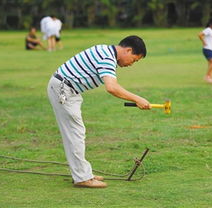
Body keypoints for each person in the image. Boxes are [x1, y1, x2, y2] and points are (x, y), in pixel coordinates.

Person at [47, 35, 151, 188]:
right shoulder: (107, 57)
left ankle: (83, 172)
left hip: (67, 89)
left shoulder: (106, 51)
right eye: (134, 59)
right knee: (75, 133)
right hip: (63, 90)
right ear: (128, 50)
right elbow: (112, 87)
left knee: (76, 132)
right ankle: (82, 177)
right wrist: (137, 99)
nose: (131, 64)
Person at [198, 17, 212, 84]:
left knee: (210, 64)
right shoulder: (208, 29)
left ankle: (211, 79)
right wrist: (203, 42)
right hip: (207, 49)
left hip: (211, 50)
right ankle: (207, 76)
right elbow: (199, 34)